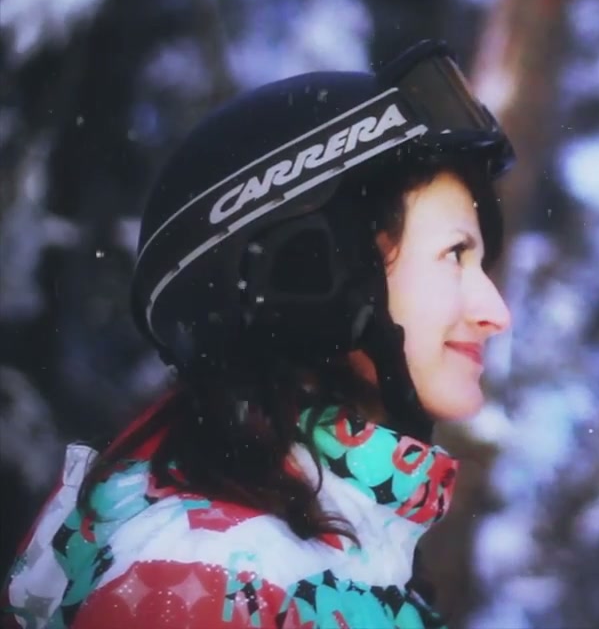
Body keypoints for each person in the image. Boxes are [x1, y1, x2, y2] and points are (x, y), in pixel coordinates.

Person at [2, 39, 513, 628]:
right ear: (312, 271)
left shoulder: (312, 564)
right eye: (454, 254)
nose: (496, 312)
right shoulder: (202, 580)